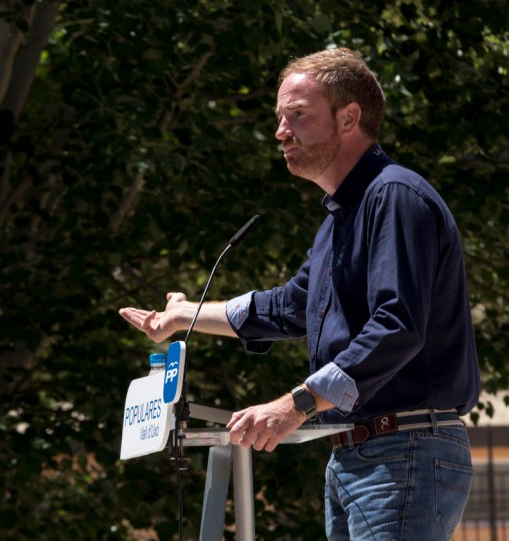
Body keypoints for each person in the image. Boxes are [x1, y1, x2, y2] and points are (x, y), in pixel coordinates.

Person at [119, 47, 481, 540]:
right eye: (279, 117)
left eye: (298, 115)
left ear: (349, 117)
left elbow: (397, 327)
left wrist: (295, 405)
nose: (280, 132)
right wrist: (186, 315)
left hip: (405, 449)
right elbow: (289, 307)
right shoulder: (340, 219)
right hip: (359, 452)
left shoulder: (395, 197)